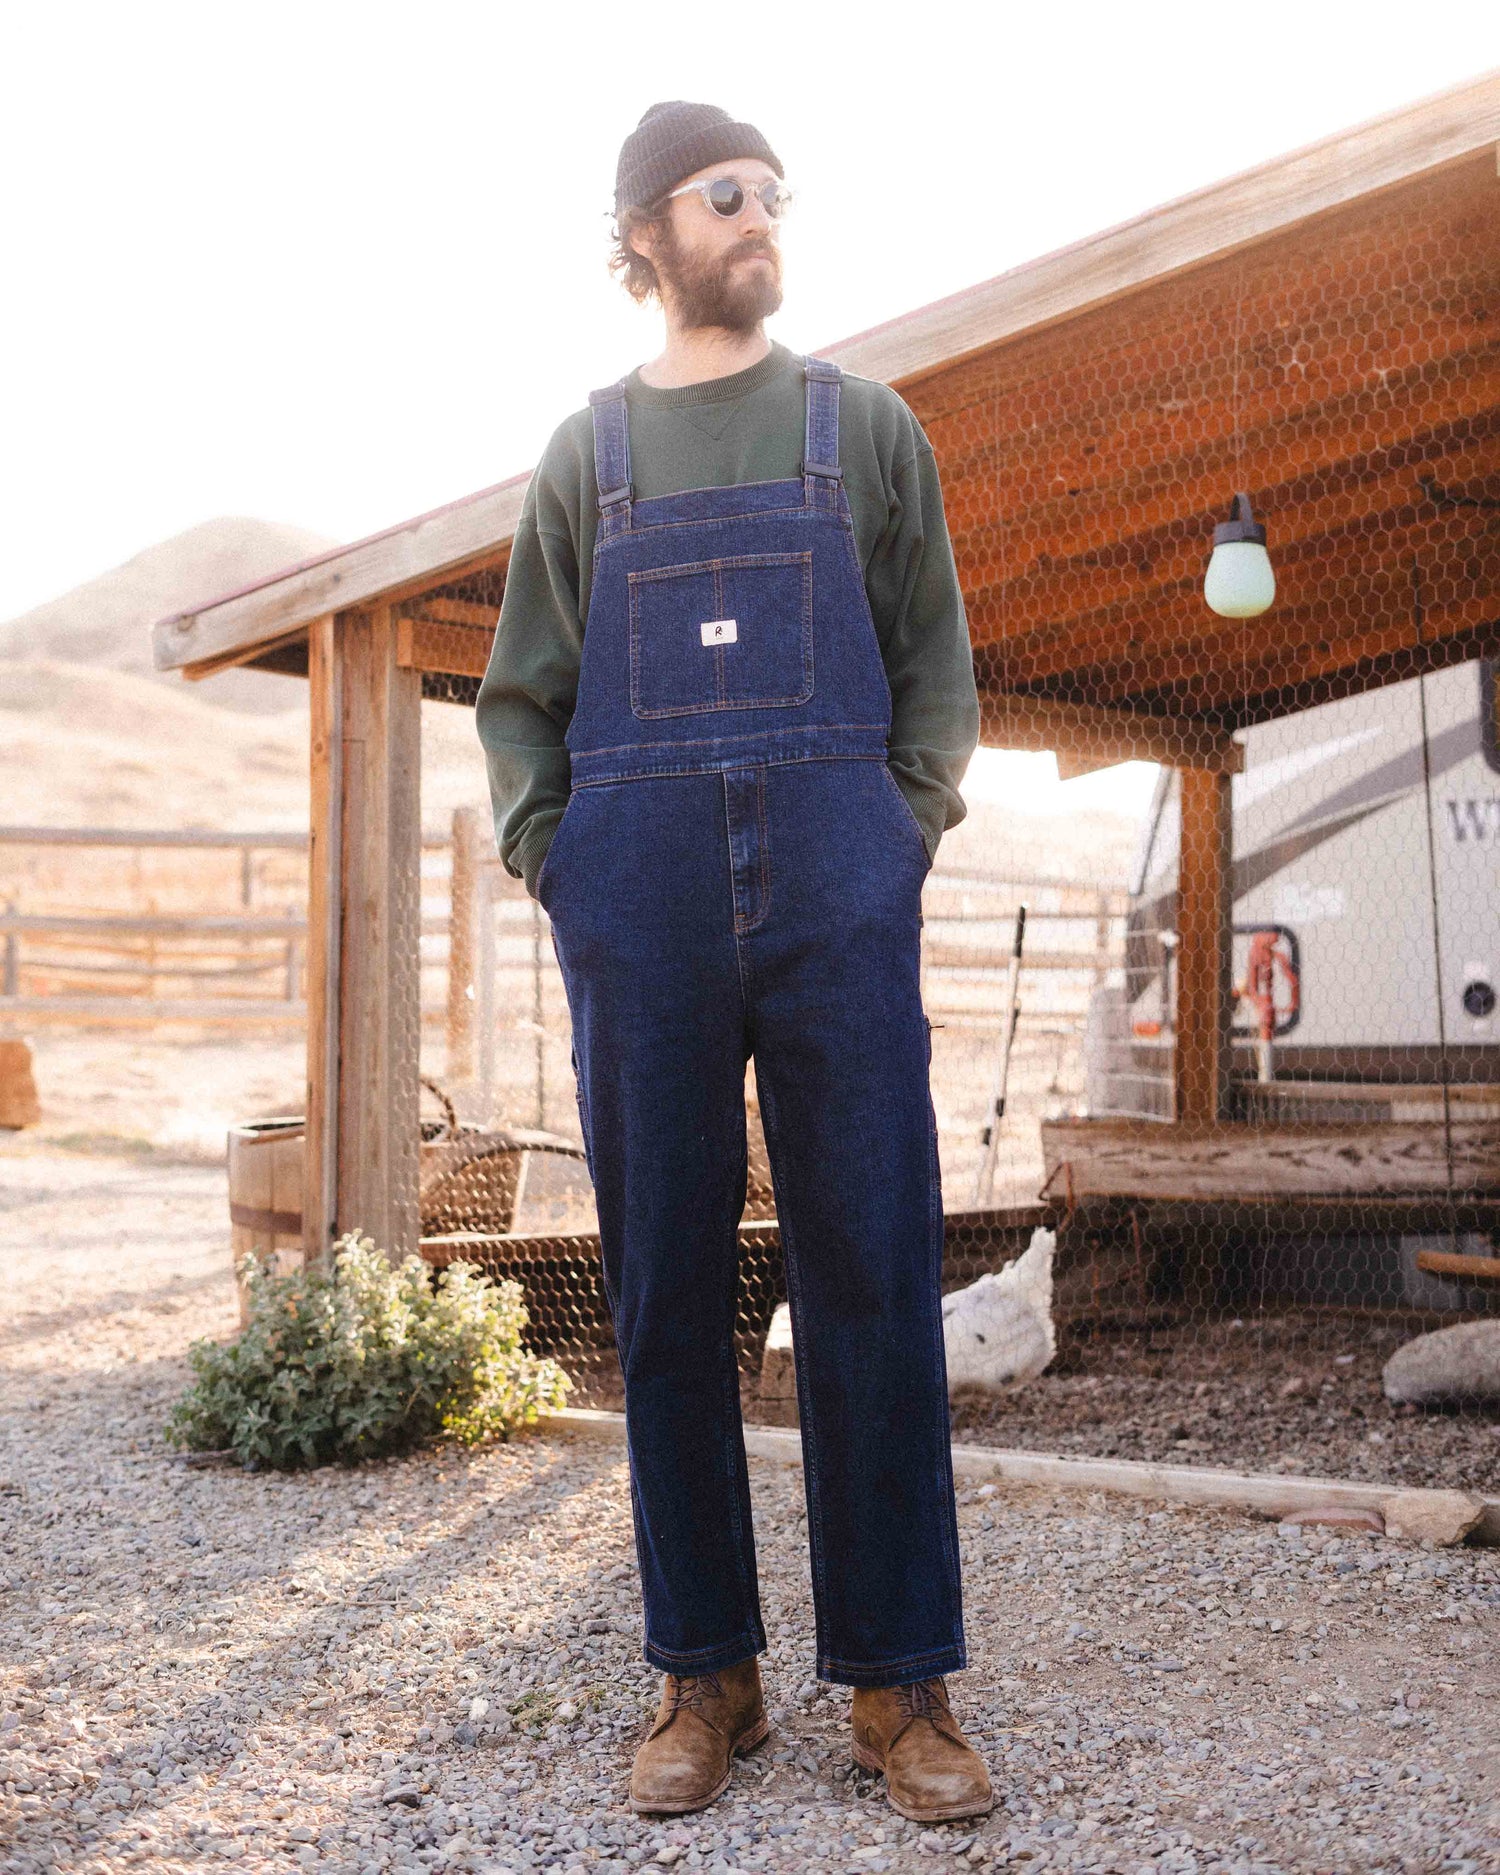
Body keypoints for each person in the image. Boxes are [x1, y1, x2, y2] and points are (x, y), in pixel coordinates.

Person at [476, 100, 989, 1824]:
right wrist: (568, 867)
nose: (759, 215)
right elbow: (522, 703)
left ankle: (901, 1688)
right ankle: (709, 1677)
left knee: (871, 1266)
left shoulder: (870, 429)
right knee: (667, 1287)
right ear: (647, 235)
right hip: (643, 908)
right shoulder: (586, 454)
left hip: (840, 890)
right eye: (726, 193)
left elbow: (932, 661)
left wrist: (895, 833)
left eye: (774, 193)